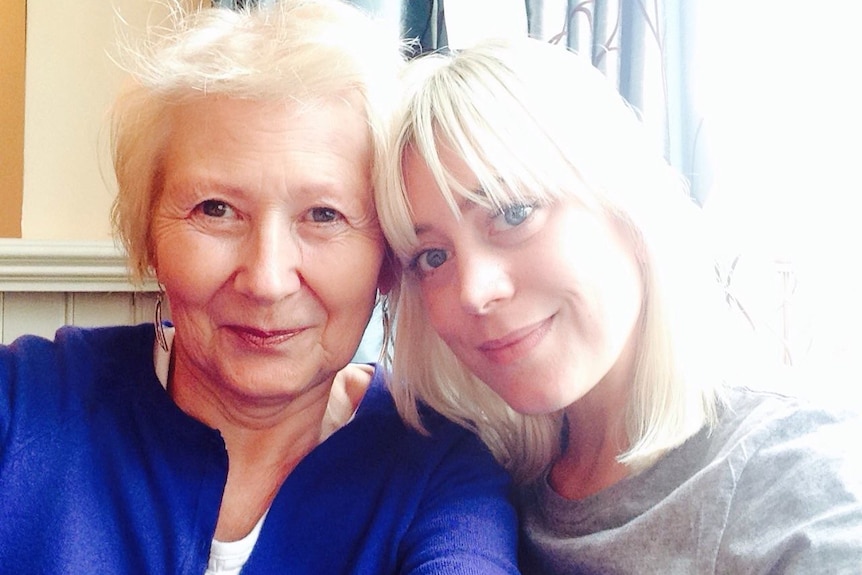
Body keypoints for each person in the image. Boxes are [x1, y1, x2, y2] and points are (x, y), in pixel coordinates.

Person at [0, 2, 520, 573]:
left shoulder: (441, 476)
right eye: (216, 209)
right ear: (148, 237)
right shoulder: (25, 403)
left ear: (389, 259)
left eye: (324, 215)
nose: (267, 281)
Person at [376, 37, 862, 573]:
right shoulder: (483, 481)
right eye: (432, 255)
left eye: (514, 213)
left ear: (624, 205)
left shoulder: (790, 473)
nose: (473, 290)